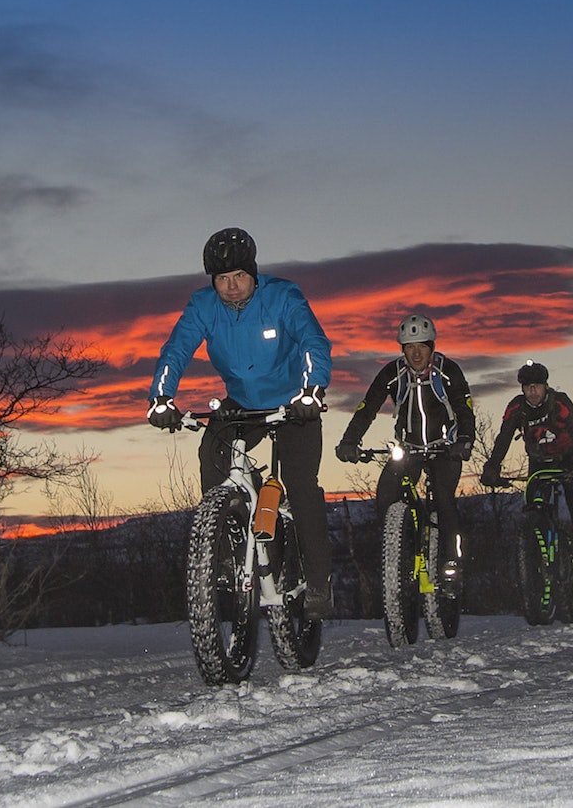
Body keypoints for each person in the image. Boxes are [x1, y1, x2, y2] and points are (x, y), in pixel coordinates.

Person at [146, 227, 336, 619]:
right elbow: (176, 350)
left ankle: (319, 581)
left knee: (301, 487)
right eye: (222, 280)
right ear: (212, 281)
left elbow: (313, 343)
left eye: (239, 278)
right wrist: (160, 398)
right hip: (242, 405)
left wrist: (312, 391)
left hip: (294, 404)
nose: (231, 287)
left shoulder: (282, 296)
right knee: (211, 454)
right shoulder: (202, 306)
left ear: (254, 273)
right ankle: (226, 550)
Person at [334, 314, 475, 584]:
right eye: (410, 347)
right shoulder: (392, 373)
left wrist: (465, 439)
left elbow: (463, 407)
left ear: (431, 346)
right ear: (402, 349)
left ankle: (451, 562)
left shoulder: (448, 370)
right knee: (386, 493)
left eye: (421, 345)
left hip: (445, 450)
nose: (416, 352)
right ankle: (401, 548)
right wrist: (350, 442)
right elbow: (367, 408)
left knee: (444, 499)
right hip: (408, 450)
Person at [480, 360, 573, 530]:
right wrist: (492, 466)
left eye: (537, 386)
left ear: (545, 386)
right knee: (533, 507)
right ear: (522, 389)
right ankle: (534, 548)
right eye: (528, 387)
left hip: (567, 457)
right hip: (539, 461)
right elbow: (503, 438)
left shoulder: (559, 402)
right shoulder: (517, 408)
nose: (532, 391)